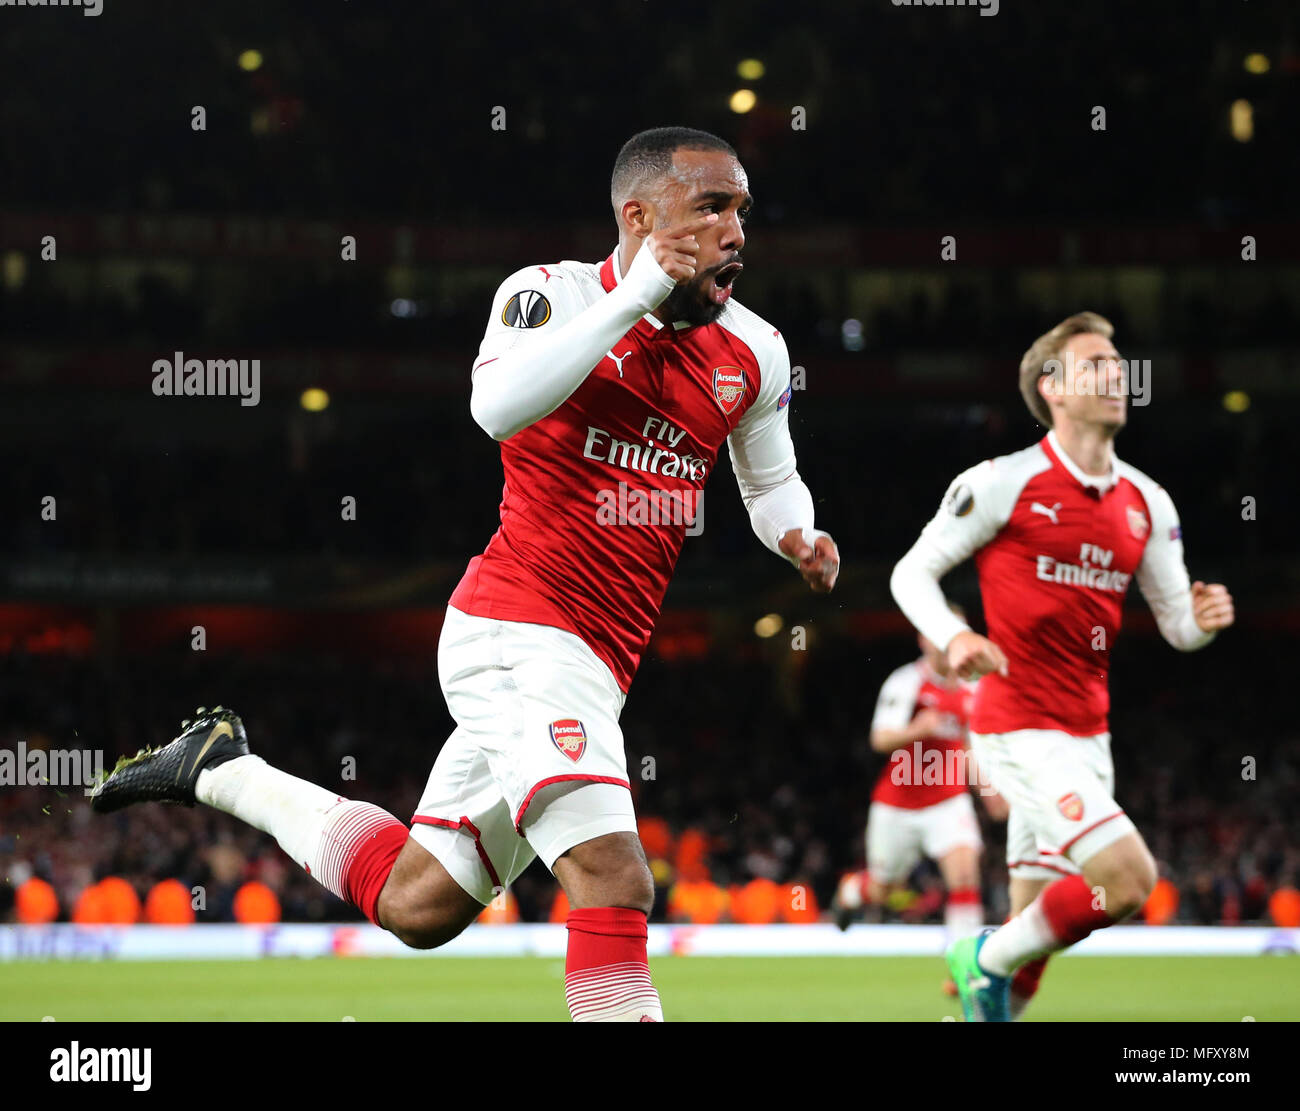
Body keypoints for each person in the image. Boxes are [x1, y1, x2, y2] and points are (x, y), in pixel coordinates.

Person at [91, 126, 839, 1023]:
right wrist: (636, 294)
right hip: (520, 628)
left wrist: (798, 535)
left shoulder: (753, 350)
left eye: (742, 212)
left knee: (420, 903)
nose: (735, 233)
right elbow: (495, 407)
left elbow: (770, 481)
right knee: (613, 874)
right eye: (711, 208)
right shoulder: (547, 295)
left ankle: (219, 769)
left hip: (598, 662)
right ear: (638, 217)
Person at [890, 312, 1233, 1021]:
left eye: (1119, 363)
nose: (1117, 375)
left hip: (1089, 736)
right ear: (1052, 387)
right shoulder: (1003, 482)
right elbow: (911, 574)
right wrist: (955, 637)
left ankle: (991, 986)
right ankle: (978, 955)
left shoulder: (1148, 502)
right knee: (1129, 881)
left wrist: (1200, 625)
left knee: (1034, 942)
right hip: (1016, 728)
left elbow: (1176, 626)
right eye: (1096, 364)